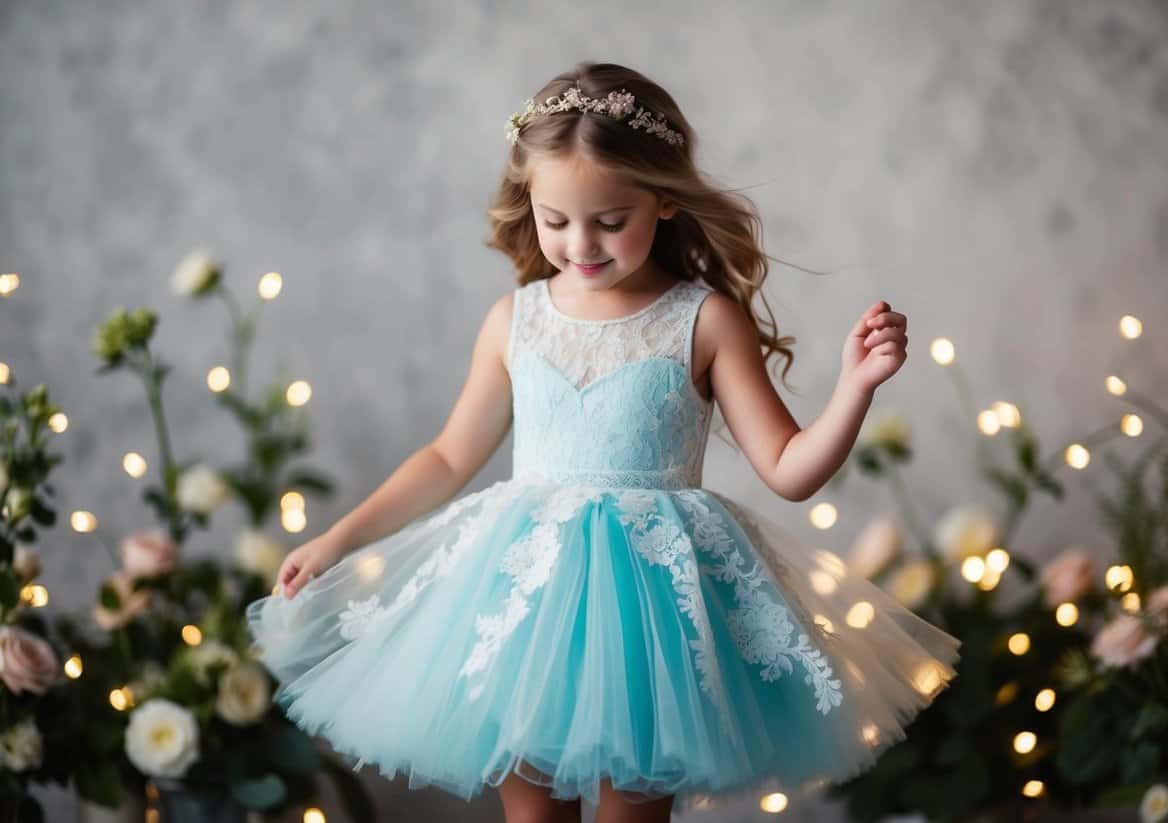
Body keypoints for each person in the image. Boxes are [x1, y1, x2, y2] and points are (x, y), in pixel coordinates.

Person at [245, 61, 961, 823]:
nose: (580, 243)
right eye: (555, 220)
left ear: (662, 201)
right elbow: (450, 457)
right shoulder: (513, 321)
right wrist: (340, 538)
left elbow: (788, 469)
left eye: (609, 221)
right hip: (521, 599)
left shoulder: (704, 318)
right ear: (530, 203)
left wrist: (855, 386)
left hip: (651, 617)